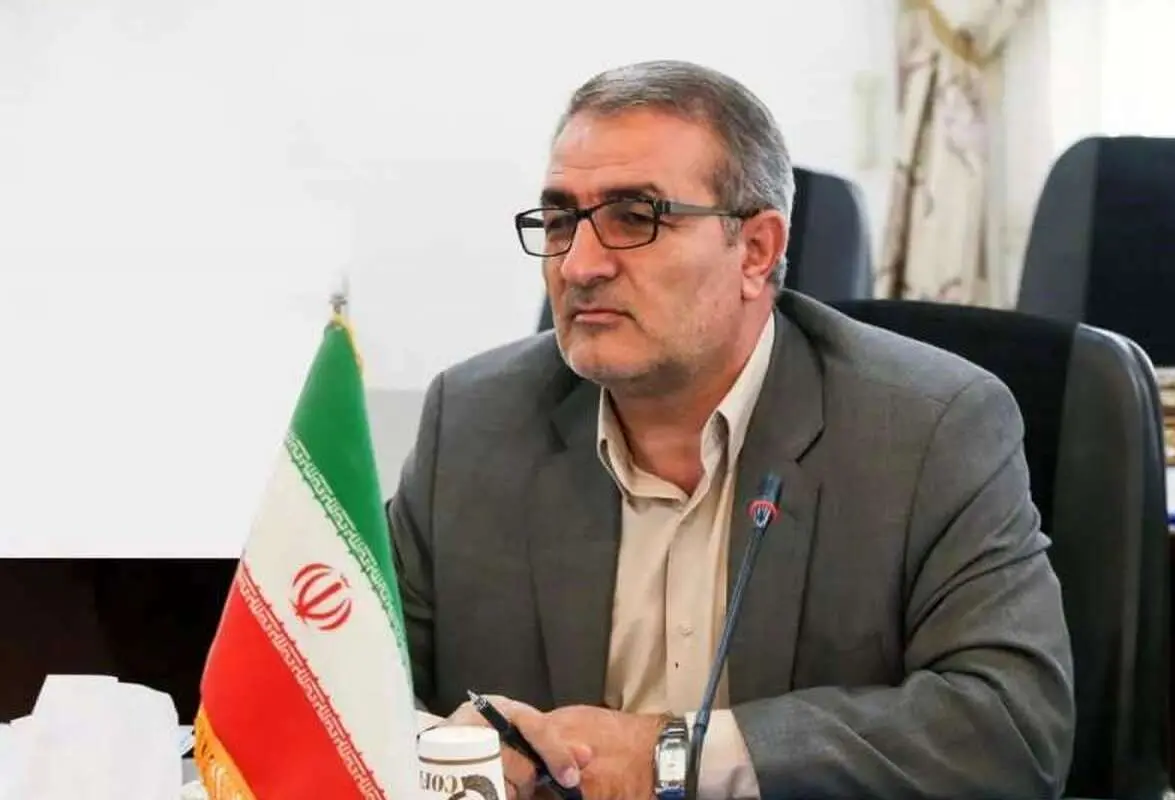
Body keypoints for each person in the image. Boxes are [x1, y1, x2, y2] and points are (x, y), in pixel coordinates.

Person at [389, 59, 1075, 799]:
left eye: (634, 218)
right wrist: (443, 744)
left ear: (756, 251)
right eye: (560, 222)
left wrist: (670, 755)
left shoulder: (925, 429)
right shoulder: (474, 422)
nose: (579, 265)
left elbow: (1010, 727)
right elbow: (331, 681)